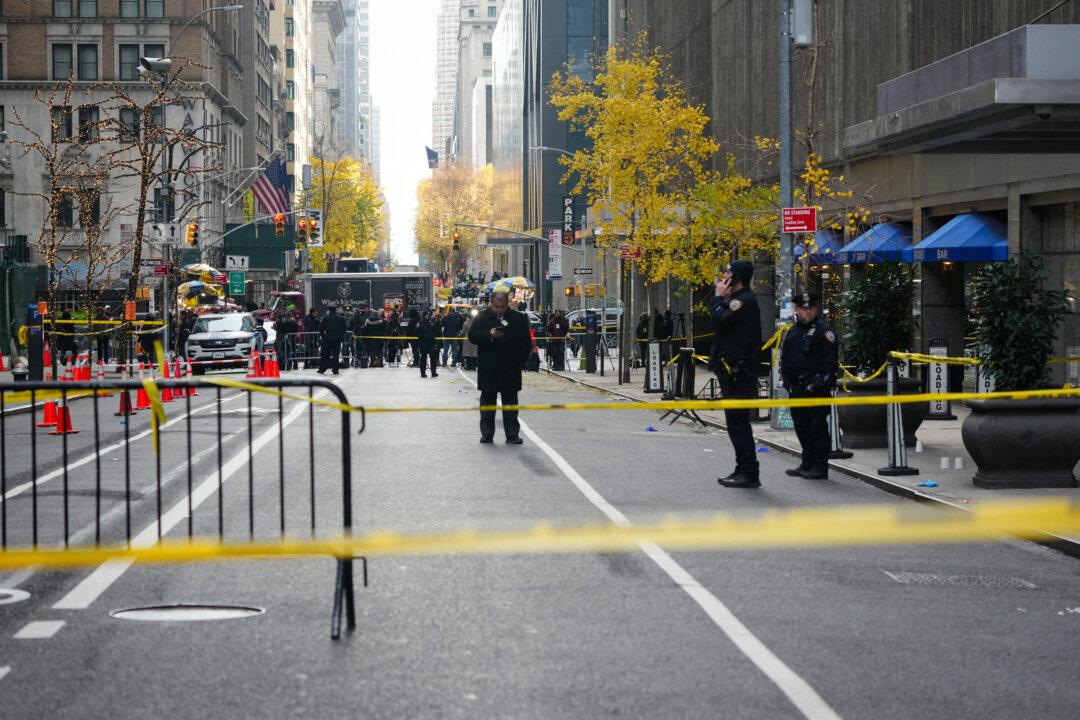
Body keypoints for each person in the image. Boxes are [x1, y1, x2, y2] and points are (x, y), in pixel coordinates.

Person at [709, 260, 763, 489]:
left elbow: (718, 321)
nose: (724, 276)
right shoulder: (738, 300)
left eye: (728, 273)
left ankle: (749, 472)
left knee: (738, 424)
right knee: (736, 424)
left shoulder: (742, 301)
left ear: (737, 277)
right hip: (733, 371)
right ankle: (743, 469)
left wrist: (718, 297)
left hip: (739, 374)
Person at [780, 293, 838, 480]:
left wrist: (820, 383)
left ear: (816, 309)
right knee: (801, 427)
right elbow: (785, 359)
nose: (807, 311)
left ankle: (820, 467)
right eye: (803, 308)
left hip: (816, 389)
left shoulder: (825, 332)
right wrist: (788, 383)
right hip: (797, 388)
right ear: (796, 310)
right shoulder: (793, 331)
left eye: (811, 308)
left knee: (817, 428)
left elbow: (830, 364)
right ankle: (807, 463)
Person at [467, 290, 531, 444]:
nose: (498, 310)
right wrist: (488, 335)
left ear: (507, 304)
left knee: (510, 404)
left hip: (510, 367)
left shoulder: (518, 318)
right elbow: (472, 336)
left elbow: (526, 342)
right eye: (496, 307)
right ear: (491, 304)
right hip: (489, 367)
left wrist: (520, 360)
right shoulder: (482, 317)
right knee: (487, 403)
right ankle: (487, 434)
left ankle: (512, 434)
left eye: (502, 307)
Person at [317, 306, 346, 375]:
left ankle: (322, 369)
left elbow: (320, 328)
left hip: (327, 339)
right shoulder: (340, 318)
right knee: (336, 355)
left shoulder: (325, 318)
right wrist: (340, 335)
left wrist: (324, 336)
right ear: (335, 310)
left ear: (329, 310)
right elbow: (344, 329)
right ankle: (335, 370)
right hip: (337, 339)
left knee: (325, 355)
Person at [416, 309, 440, 378]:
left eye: (429, 315)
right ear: (424, 315)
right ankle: (423, 372)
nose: (428, 316)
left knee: (433, 357)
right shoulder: (420, 322)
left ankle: (433, 372)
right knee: (423, 358)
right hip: (424, 343)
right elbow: (417, 332)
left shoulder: (432, 322)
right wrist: (422, 338)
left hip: (431, 342)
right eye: (426, 315)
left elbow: (436, 330)